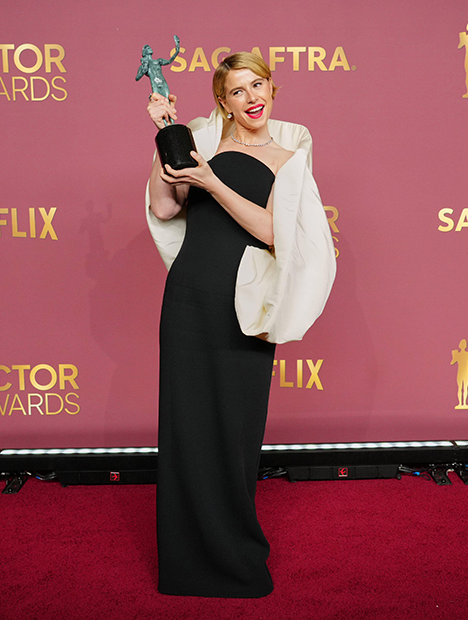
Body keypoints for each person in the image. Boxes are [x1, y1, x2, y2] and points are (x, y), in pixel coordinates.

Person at [144, 52, 335, 598]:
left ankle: (234, 557)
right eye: (237, 91)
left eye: (258, 86)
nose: (251, 98)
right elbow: (163, 207)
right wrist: (164, 139)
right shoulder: (202, 141)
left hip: (246, 300)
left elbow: (276, 233)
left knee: (235, 429)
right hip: (188, 296)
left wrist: (213, 182)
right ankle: (185, 564)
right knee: (186, 427)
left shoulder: (290, 154)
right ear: (222, 102)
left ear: (273, 88)